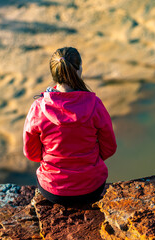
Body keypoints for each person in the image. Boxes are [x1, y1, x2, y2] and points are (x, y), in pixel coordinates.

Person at [23, 47, 117, 205]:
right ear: (79, 69)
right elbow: (110, 148)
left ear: (54, 73)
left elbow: (31, 153)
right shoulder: (95, 105)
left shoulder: (38, 107)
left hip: (52, 190)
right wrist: (88, 162)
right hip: (92, 188)